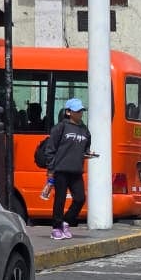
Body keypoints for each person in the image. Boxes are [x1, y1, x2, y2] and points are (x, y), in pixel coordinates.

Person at [45, 98, 93, 240]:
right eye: (77, 111)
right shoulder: (60, 128)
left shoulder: (84, 130)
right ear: (68, 112)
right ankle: (56, 227)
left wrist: (88, 153)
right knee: (59, 199)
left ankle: (65, 222)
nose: (80, 113)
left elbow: (86, 146)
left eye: (81, 111)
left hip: (76, 170)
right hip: (60, 169)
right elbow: (50, 149)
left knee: (80, 198)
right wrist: (50, 169)